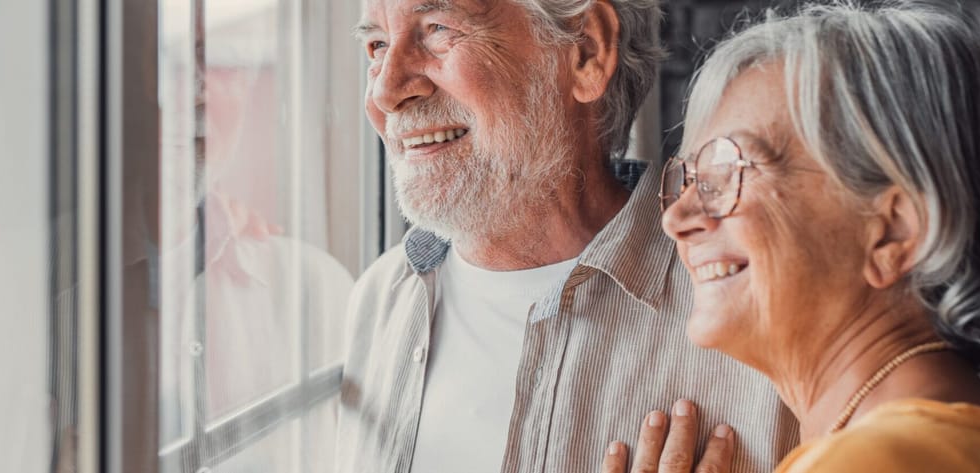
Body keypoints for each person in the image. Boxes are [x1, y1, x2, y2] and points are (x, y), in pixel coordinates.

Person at [603, 2, 980, 472]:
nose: (677, 218)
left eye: (726, 173)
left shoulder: (871, 461)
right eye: (690, 179)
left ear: (893, 230)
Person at [337, 1, 797, 472]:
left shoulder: (760, 308)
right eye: (376, 45)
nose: (386, 90)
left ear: (586, 51)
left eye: (438, 29)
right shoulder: (378, 300)